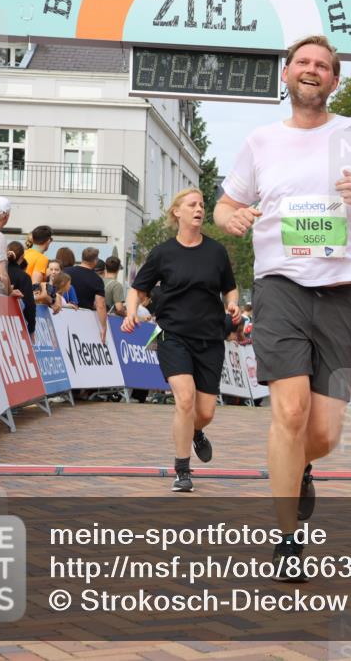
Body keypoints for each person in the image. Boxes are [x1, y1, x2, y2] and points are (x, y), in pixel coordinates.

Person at [215, 34, 351, 578]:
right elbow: (228, 204)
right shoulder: (260, 141)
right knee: (289, 413)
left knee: (324, 434)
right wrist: (231, 218)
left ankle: (298, 470)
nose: (312, 70)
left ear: (334, 80)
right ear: (287, 75)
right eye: (303, 63)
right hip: (280, 287)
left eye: (323, 65)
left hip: (341, 293)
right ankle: (287, 539)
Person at [122, 187, 239, 493]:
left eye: (202, 204)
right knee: (184, 399)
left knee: (205, 412)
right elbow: (138, 288)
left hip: (211, 338)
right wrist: (130, 312)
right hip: (173, 336)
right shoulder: (163, 253)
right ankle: (182, 471)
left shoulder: (216, 252)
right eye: (192, 204)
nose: (199, 209)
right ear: (177, 212)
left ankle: (197, 431)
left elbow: (230, 287)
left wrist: (233, 303)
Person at [64, 247, 108, 343]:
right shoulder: (97, 279)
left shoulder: (66, 271)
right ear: (95, 260)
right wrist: (103, 327)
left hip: (63, 315)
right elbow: (100, 304)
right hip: (84, 321)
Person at [6, 241, 36, 336]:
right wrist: (31, 328)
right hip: (15, 325)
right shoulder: (24, 277)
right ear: (22, 257)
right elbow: (29, 304)